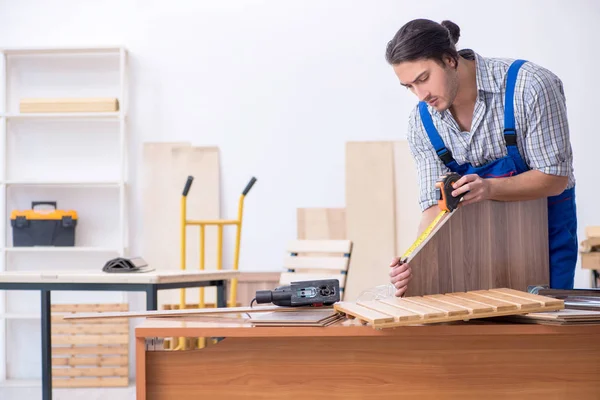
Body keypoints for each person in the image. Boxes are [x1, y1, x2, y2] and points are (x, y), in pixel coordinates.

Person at [384, 19, 577, 297]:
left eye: (424, 79)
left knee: (545, 334)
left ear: (450, 59)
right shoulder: (421, 122)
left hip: (544, 240)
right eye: (409, 86)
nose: (420, 94)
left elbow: (554, 178)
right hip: (473, 256)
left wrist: (489, 188)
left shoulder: (529, 86)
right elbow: (433, 207)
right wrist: (413, 259)